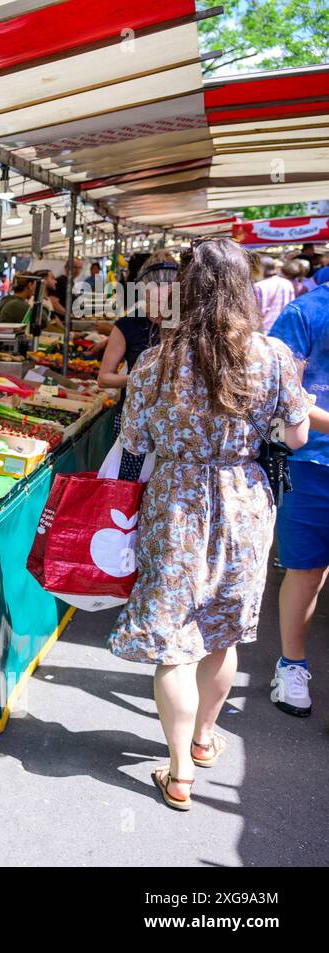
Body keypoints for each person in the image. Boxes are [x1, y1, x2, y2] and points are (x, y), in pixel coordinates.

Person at [107, 237, 310, 812]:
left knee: (174, 642)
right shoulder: (271, 356)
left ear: (187, 291)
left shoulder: (157, 360)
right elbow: (294, 435)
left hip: (174, 500)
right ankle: (202, 741)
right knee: (220, 634)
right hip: (243, 502)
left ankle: (177, 774)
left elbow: (136, 441)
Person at [268, 282, 329, 717]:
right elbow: (280, 393)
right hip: (310, 465)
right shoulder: (305, 313)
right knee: (306, 570)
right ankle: (292, 664)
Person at [97, 252, 178, 479]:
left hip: (174, 428)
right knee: (127, 495)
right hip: (134, 423)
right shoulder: (128, 325)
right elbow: (104, 378)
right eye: (158, 285)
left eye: (171, 285)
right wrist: (142, 378)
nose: (164, 292)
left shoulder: (187, 325)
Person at [253, 256, 295, 331]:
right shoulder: (287, 283)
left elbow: (256, 312)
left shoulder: (259, 286)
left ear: (260, 269)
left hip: (266, 329)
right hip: (285, 327)